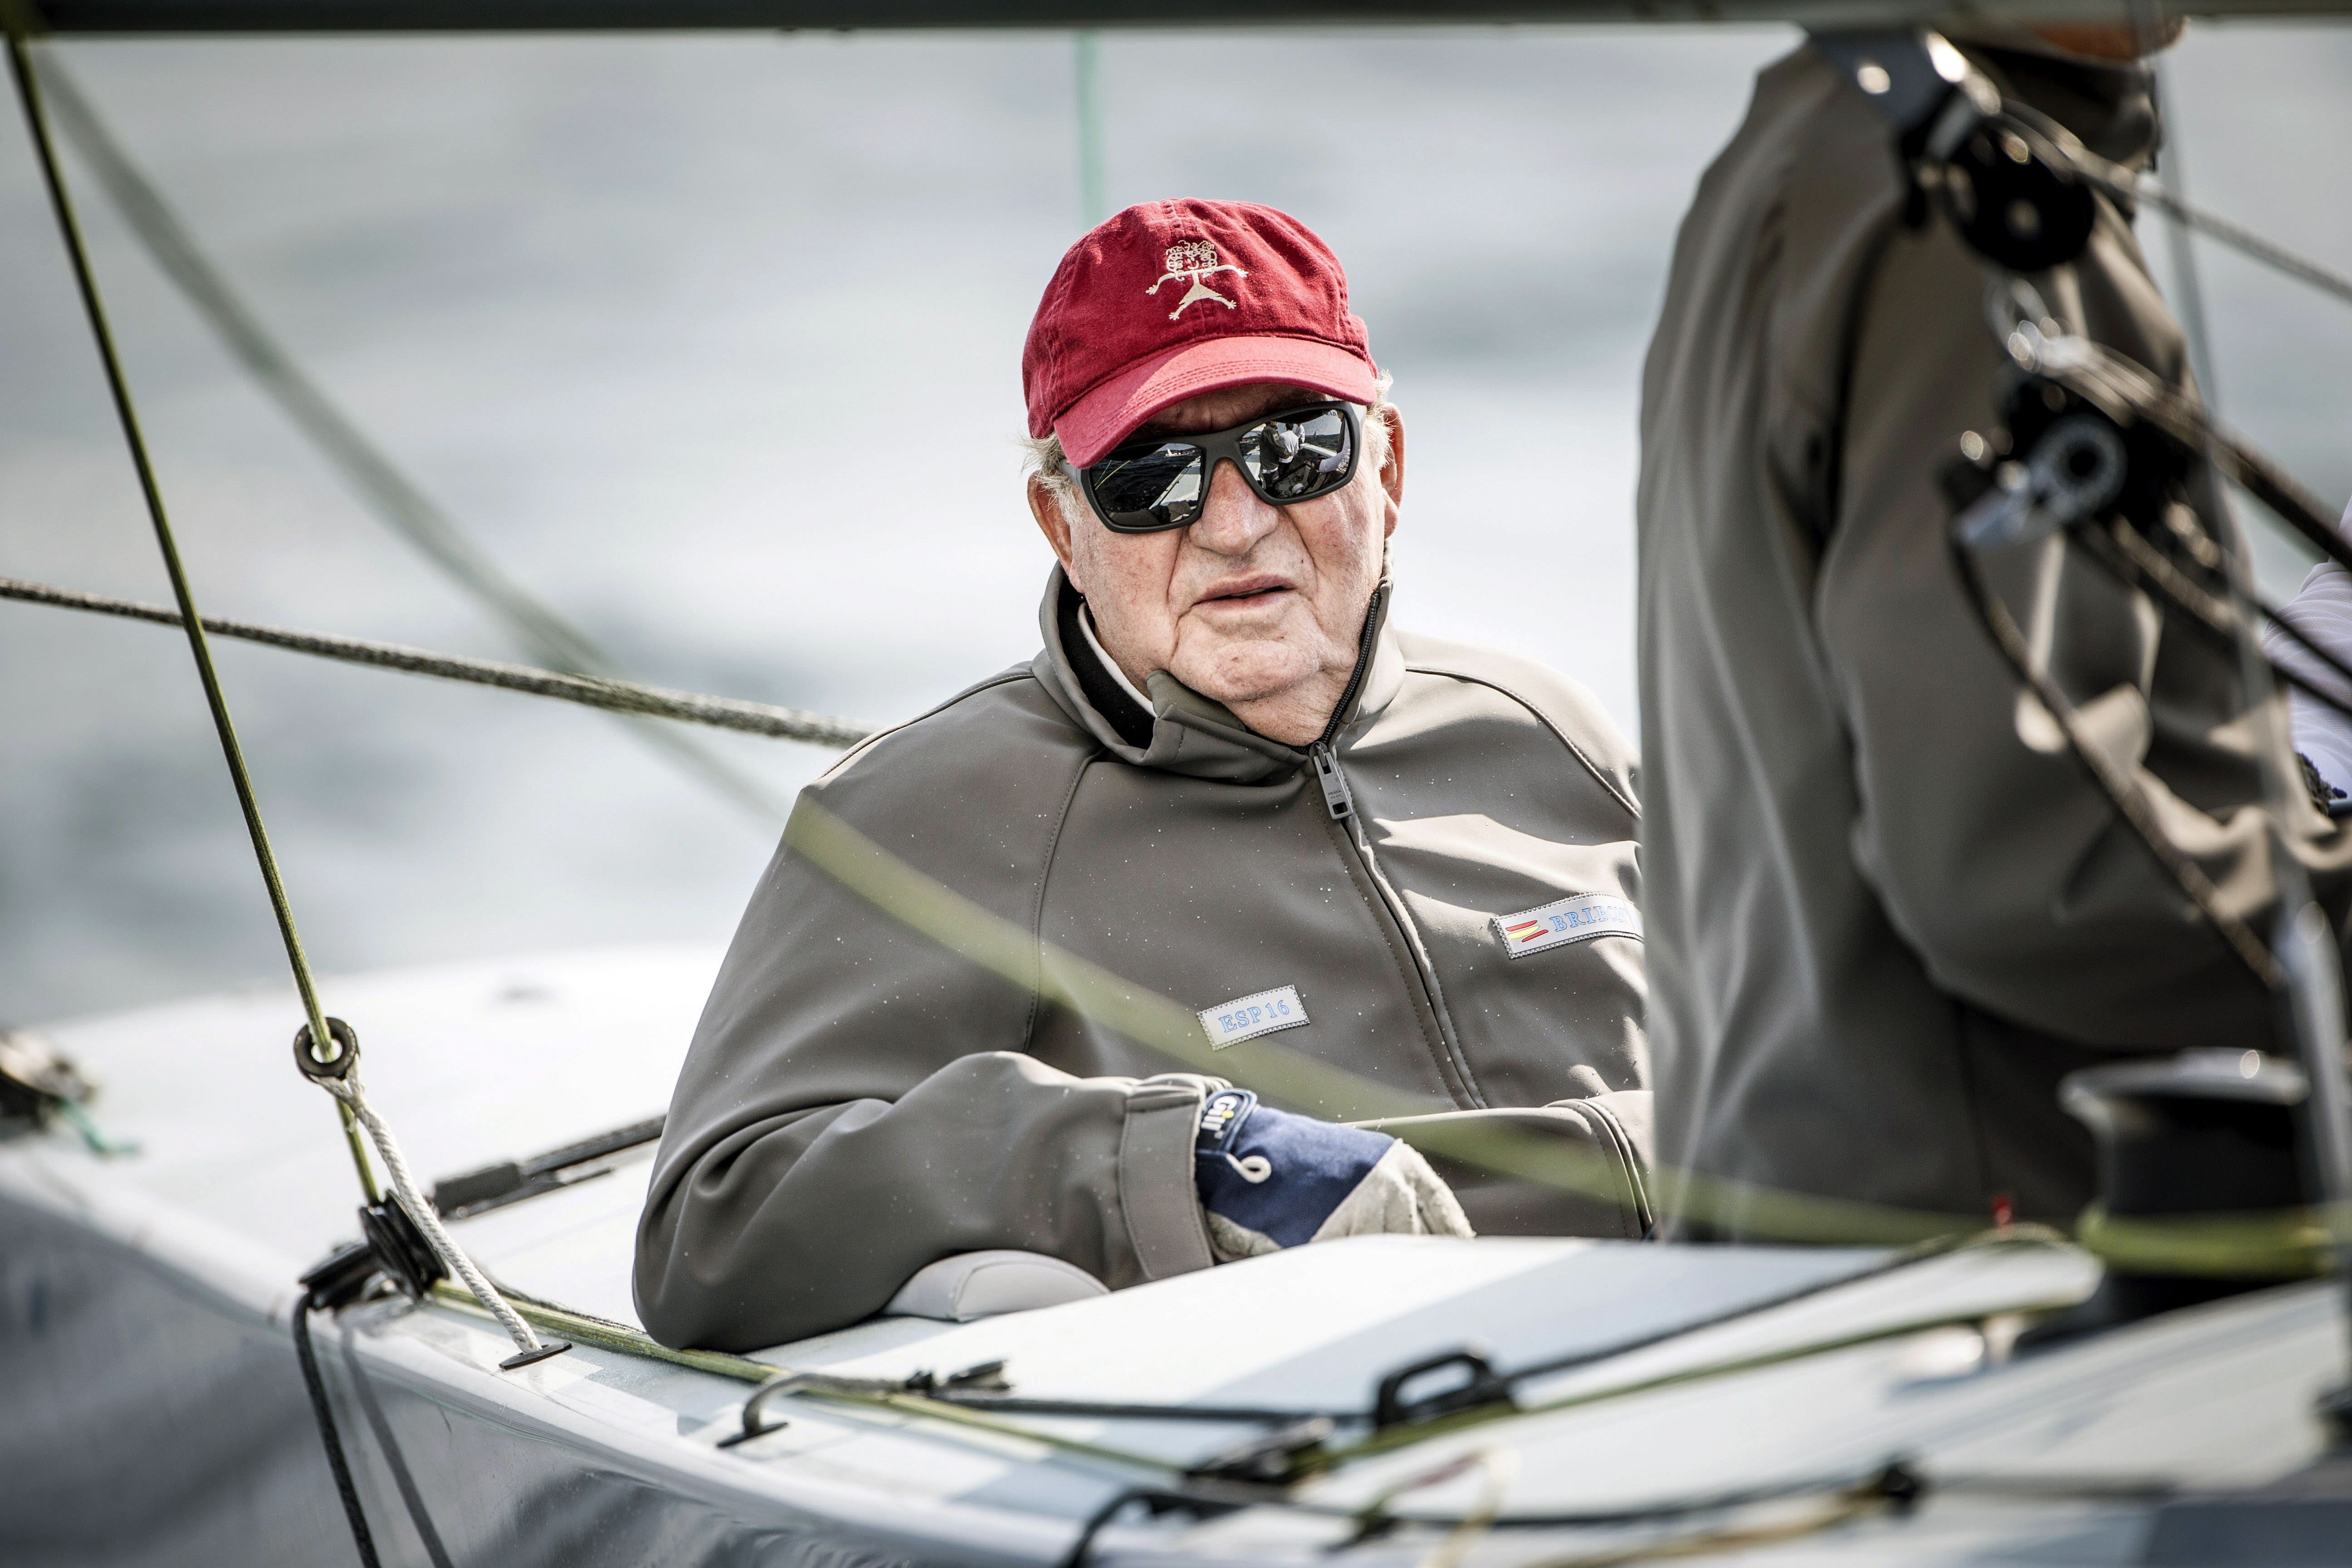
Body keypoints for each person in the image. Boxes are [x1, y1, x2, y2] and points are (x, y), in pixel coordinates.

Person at [638, 199, 1651, 1352]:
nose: (1232, 523)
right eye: (1151, 478)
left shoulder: (1548, 726)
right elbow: (710, 1229)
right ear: (1062, 528)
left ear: (1391, 468)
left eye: (1294, 450)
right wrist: (1191, 1161)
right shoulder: (926, 817)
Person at [1637, 19, 2352, 1239]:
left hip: (1861, 1233)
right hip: (2021, 1261)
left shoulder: (1819, 148)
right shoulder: (1955, 202)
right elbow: (2036, 875)